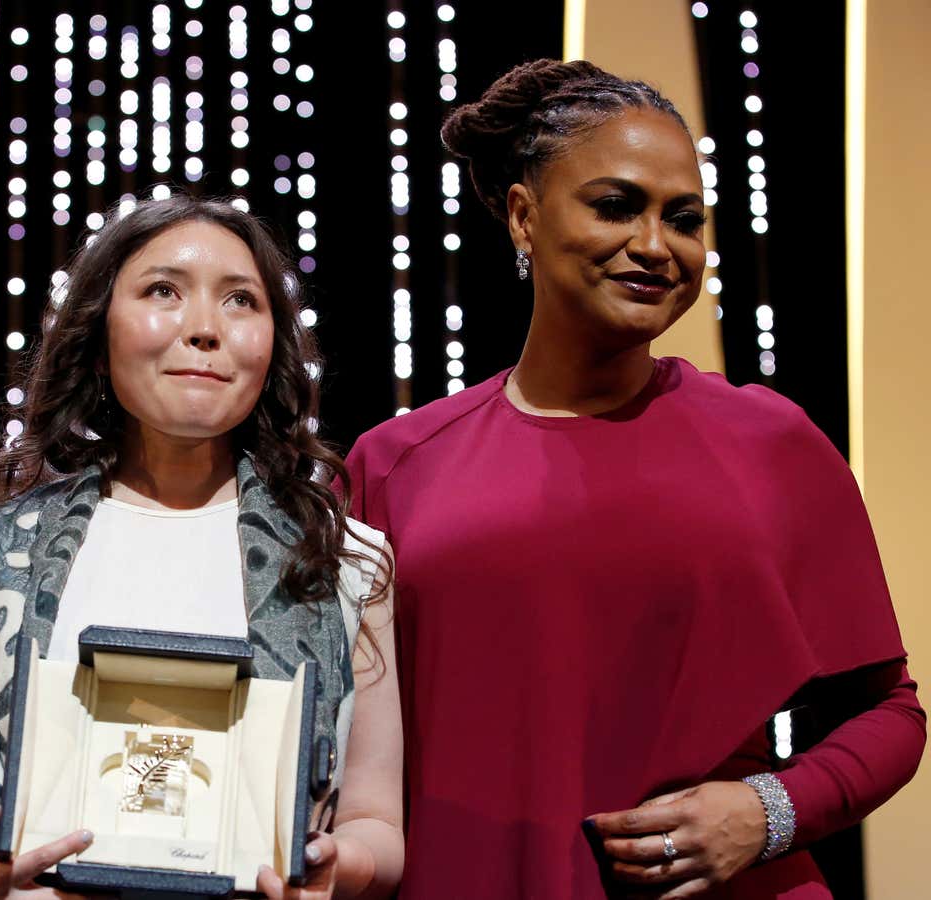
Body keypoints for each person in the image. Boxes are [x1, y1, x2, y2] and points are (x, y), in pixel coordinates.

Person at [344, 59, 925, 898]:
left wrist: (768, 811)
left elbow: (890, 713)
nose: (656, 246)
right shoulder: (394, 465)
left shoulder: (770, 440)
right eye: (616, 206)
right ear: (523, 216)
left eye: (684, 219)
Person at [0, 197, 406, 900]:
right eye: (163, 292)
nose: (205, 329)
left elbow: (376, 822)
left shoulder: (344, 562)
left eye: (240, 300)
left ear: (273, 343)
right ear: (99, 337)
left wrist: (343, 869)